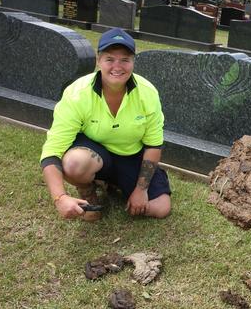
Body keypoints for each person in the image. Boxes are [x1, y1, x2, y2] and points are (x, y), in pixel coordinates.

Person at [40, 28, 171, 222]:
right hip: (96, 152)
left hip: (131, 156)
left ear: (133, 62)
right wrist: (60, 197)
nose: (117, 66)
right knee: (74, 163)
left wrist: (140, 190)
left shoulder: (148, 93)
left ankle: (112, 184)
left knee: (161, 208)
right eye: (110, 59)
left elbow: (153, 145)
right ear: (98, 60)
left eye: (125, 59)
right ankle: (89, 194)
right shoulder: (77, 93)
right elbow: (52, 151)